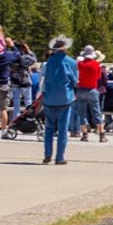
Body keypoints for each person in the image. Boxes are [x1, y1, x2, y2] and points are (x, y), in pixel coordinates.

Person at [41, 35, 78, 165]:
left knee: (49, 128)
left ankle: (47, 154)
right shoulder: (72, 63)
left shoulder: (49, 62)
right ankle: (60, 157)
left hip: (49, 98)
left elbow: (44, 80)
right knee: (63, 129)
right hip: (65, 98)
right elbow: (75, 81)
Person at [72, 45, 106, 143]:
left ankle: (85, 134)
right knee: (96, 112)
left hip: (81, 89)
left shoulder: (80, 64)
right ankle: (101, 135)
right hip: (92, 89)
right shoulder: (96, 64)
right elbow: (98, 77)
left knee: (82, 113)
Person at [9, 41, 36, 120]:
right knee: (28, 102)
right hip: (25, 81)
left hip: (14, 82)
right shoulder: (24, 57)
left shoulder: (11, 56)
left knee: (16, 103)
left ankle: (15, 119)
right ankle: (29, 119)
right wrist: (29, 50)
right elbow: (34, 59)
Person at [0, 39, 20, 132]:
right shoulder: (7, 56)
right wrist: (12, 45)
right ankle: (3, 130)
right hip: (3, 84)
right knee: (3, 108)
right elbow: (17, 54)